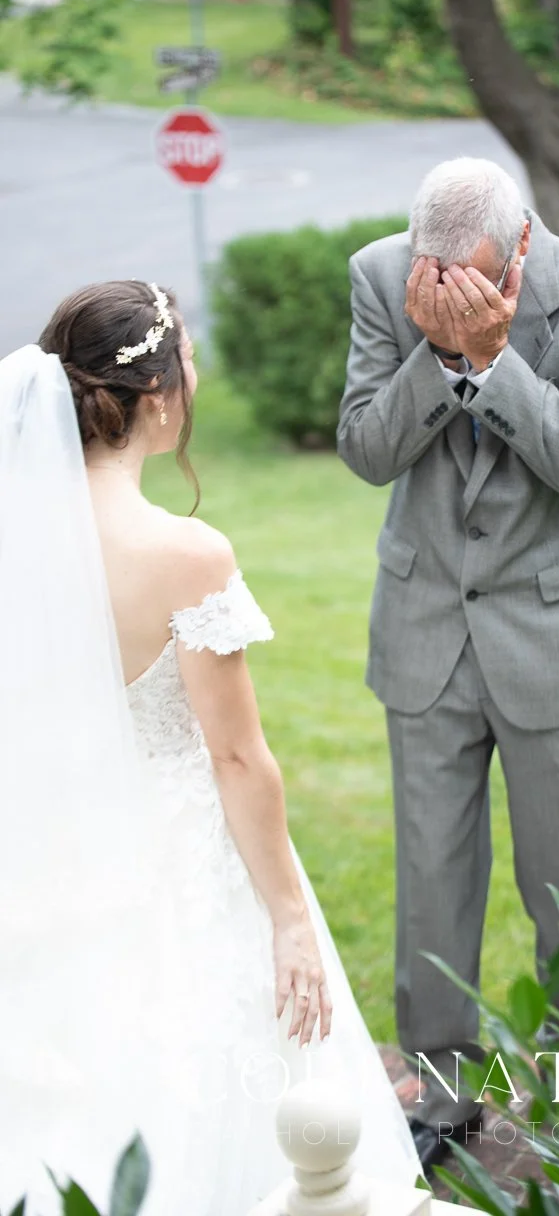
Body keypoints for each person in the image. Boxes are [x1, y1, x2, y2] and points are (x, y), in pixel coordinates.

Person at [0, 281, 421, 1215]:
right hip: (176, 855)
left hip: (47, 848)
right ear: (156, 396)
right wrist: (288, 918)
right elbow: (238, 759)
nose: (197, 372)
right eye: (187, 356)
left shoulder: (15, 541)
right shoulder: (187, 555)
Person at [337, 157, 559, 1171]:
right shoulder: (385, 277)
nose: (441, 287)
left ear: (516, 249)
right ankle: (441, 1093)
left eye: (463, 276)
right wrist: (435, 359)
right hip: (425, 630)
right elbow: (367, 450)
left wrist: (495, 360)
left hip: (551, 642)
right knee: (432, 880)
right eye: (433, 272)